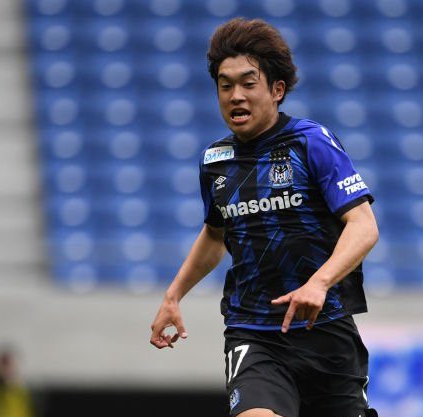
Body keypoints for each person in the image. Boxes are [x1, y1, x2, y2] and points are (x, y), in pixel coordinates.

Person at [149, 18, 380, 417]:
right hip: (253, 331)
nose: (235, 96)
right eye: (225, 85)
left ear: (277, 91)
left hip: (324, 331)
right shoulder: (215, 161)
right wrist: (174, 295)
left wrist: (319, 283)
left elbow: (363, 225)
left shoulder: (311, 143)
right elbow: (215, 234)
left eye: (248, 83)